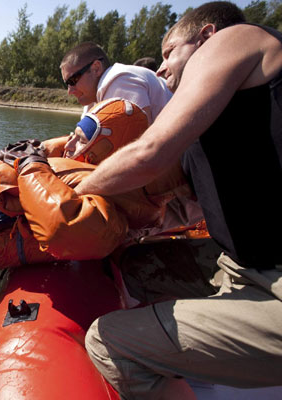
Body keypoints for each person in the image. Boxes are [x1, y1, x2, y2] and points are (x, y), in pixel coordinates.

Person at [69, 2, 282, 399]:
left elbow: (148, 153)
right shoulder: (215, 132)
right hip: (242, 264)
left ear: (205, 37)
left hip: (273, 281)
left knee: (107, 342)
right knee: (137, 264)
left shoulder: (238, 37)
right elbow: (165, 191)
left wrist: (73, 194)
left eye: (169, 53)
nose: (161, 68)